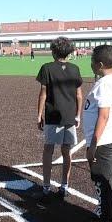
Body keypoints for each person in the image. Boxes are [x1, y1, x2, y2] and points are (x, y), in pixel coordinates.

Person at [83, 44, 112, 222]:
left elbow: (104, 115)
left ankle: (106, 221)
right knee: (109, 177)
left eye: (92, 61)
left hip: (104, 139)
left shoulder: (105, 84)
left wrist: (93, 144)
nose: (91, 64)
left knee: (101, 178)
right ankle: (111, 214)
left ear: (99, 64)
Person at [34, 37, 83, 199]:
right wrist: (78, 115)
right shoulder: (75, 69)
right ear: (69, 52)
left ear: (53, 51)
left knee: (48, 149)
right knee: (66, 150)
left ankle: (46, 186)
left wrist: (39, 115)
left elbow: (43, 94)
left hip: (53, 115)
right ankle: (64, 185)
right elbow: (79, 96)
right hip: (69, 116)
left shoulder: (46, 68)